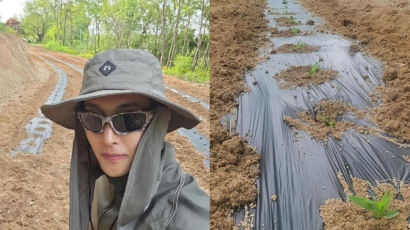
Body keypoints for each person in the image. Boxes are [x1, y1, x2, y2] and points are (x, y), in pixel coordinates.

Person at [40, 49, 209, 230]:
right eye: (92, 119)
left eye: (130, 120)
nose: (108, 138)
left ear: (159, 121)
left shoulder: (188, 220)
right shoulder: (102, 182)